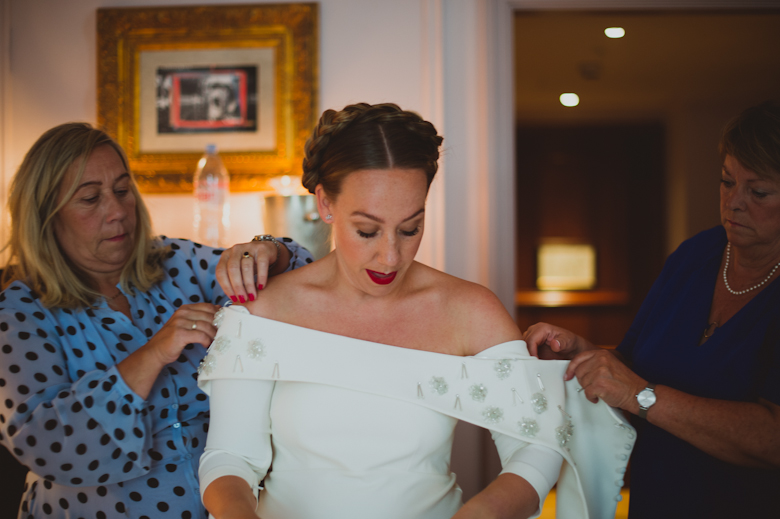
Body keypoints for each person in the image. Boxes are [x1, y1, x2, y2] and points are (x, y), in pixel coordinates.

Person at [197, 103, 636, 519]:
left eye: (411, 228)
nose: (390, 256)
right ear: (325, 205)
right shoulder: (265, 312)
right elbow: (230, 456)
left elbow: (537, 443)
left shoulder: (469, 310)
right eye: (367, 231)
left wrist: (478, 515)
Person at [0, 122, 313, 519]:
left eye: (122, 189)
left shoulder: (174, 262)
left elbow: (304, 284)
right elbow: (45, 441)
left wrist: (268, 251)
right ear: (47, 216)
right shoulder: (20, 311)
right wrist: (153, 353)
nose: (116, 212)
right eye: (91, 198)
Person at [524, 101, 780, 518]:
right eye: (727, 181)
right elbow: (634, 366)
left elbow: (774, 438)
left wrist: (642, 396)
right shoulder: (695, 255)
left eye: (759, 191)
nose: (734, 202)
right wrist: (584, 356)